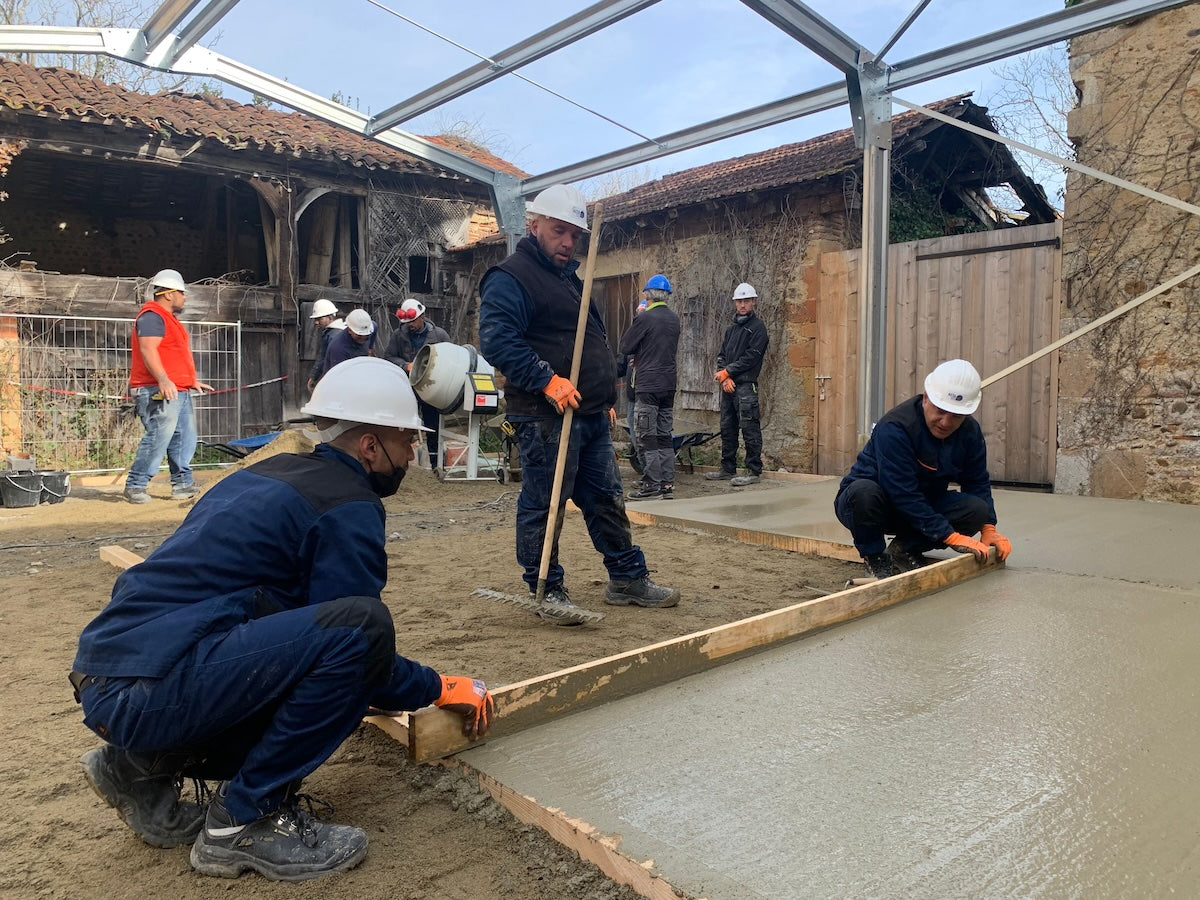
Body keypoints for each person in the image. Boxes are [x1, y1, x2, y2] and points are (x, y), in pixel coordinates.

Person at [72, 356, 494, 882]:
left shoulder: (266, 476)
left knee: (302, 646)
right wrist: (438, 686)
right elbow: (362, 653)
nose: (412, 454)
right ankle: (245, 821)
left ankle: (134, 768)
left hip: (112, 679)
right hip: (153, 692)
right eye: (407, 442)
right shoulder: (348, 506)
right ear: (369, 446)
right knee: (363, 631)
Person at [478, 183, 680, 625]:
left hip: (587, 413)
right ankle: (546, 587)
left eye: (575, 235)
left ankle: (626, 578)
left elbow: (588, 342)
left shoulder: (569, 280)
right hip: (545, 416)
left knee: (606, 498)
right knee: (545, 503)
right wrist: (547, 381)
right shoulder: (511, 277)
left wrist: (604, 393)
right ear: (534, 227)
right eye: (558, 231)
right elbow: (498, 340)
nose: (568, 242)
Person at [834, 358, 1014, 580]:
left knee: (977, 510)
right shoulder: (895, 428)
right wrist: (949, 536)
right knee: (863, 492)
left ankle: (904, 549)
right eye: (940, 411)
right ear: (927, 397)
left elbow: (976, 481)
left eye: (956, 415)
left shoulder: (970, 433)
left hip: (922, 505)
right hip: (873, 506)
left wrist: (988, 528)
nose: (946, 422)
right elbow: (901, 492)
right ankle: (875, 556)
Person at [124, 269, 213, 504]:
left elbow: (172, 354)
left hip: (177, 389)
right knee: (158, 436)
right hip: (156, 389)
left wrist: (188, 380)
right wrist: (163, 379)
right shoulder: (152, 317)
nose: (185, 298)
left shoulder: (168, 319)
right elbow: (148, 350)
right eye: (182, 293)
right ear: (170, 294)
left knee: (184, 437)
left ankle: (183, 485)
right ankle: (136, 484)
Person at [619, 274, 681, 500]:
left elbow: (625, 346)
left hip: (648, 385)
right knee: (665, 435)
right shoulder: (674, 319)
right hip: (668, 385)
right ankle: (667, 484)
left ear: (648, 294)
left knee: (647, 436)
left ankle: (651, 485)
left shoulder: (645, 318)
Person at [705, 282, 769, 487]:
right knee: (727, 427)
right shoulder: (731, 330)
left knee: (749, 427)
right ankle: (727, 467)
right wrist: (725, 377)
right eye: (739, 301)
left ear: (753, 302)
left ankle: (753, 470)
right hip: (729, 386)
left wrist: (729, 371)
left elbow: (751, 357)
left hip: (746, 386)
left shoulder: (758, 329)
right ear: (735, 303)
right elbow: (722, 354)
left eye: (746, 301)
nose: (742, 305)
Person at [384, 298, 451, 467]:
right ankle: (399, 462)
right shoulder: (399, 336)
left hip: (430, 389)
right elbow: (389, 357)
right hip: (408, 388)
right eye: (407, 322)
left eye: (413, 321)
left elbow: (450, 359)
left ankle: (436, 464)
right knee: (403, 425)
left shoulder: (440, 335)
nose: (410, 325)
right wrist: (405, 365)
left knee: (433, 426)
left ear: (422, 316)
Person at [305, 297, 341, 393]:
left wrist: (314, 377)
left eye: (319, 318)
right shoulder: (335, 333)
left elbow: (323, 358)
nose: (316, 322)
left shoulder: (333, 335)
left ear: (329, 317)